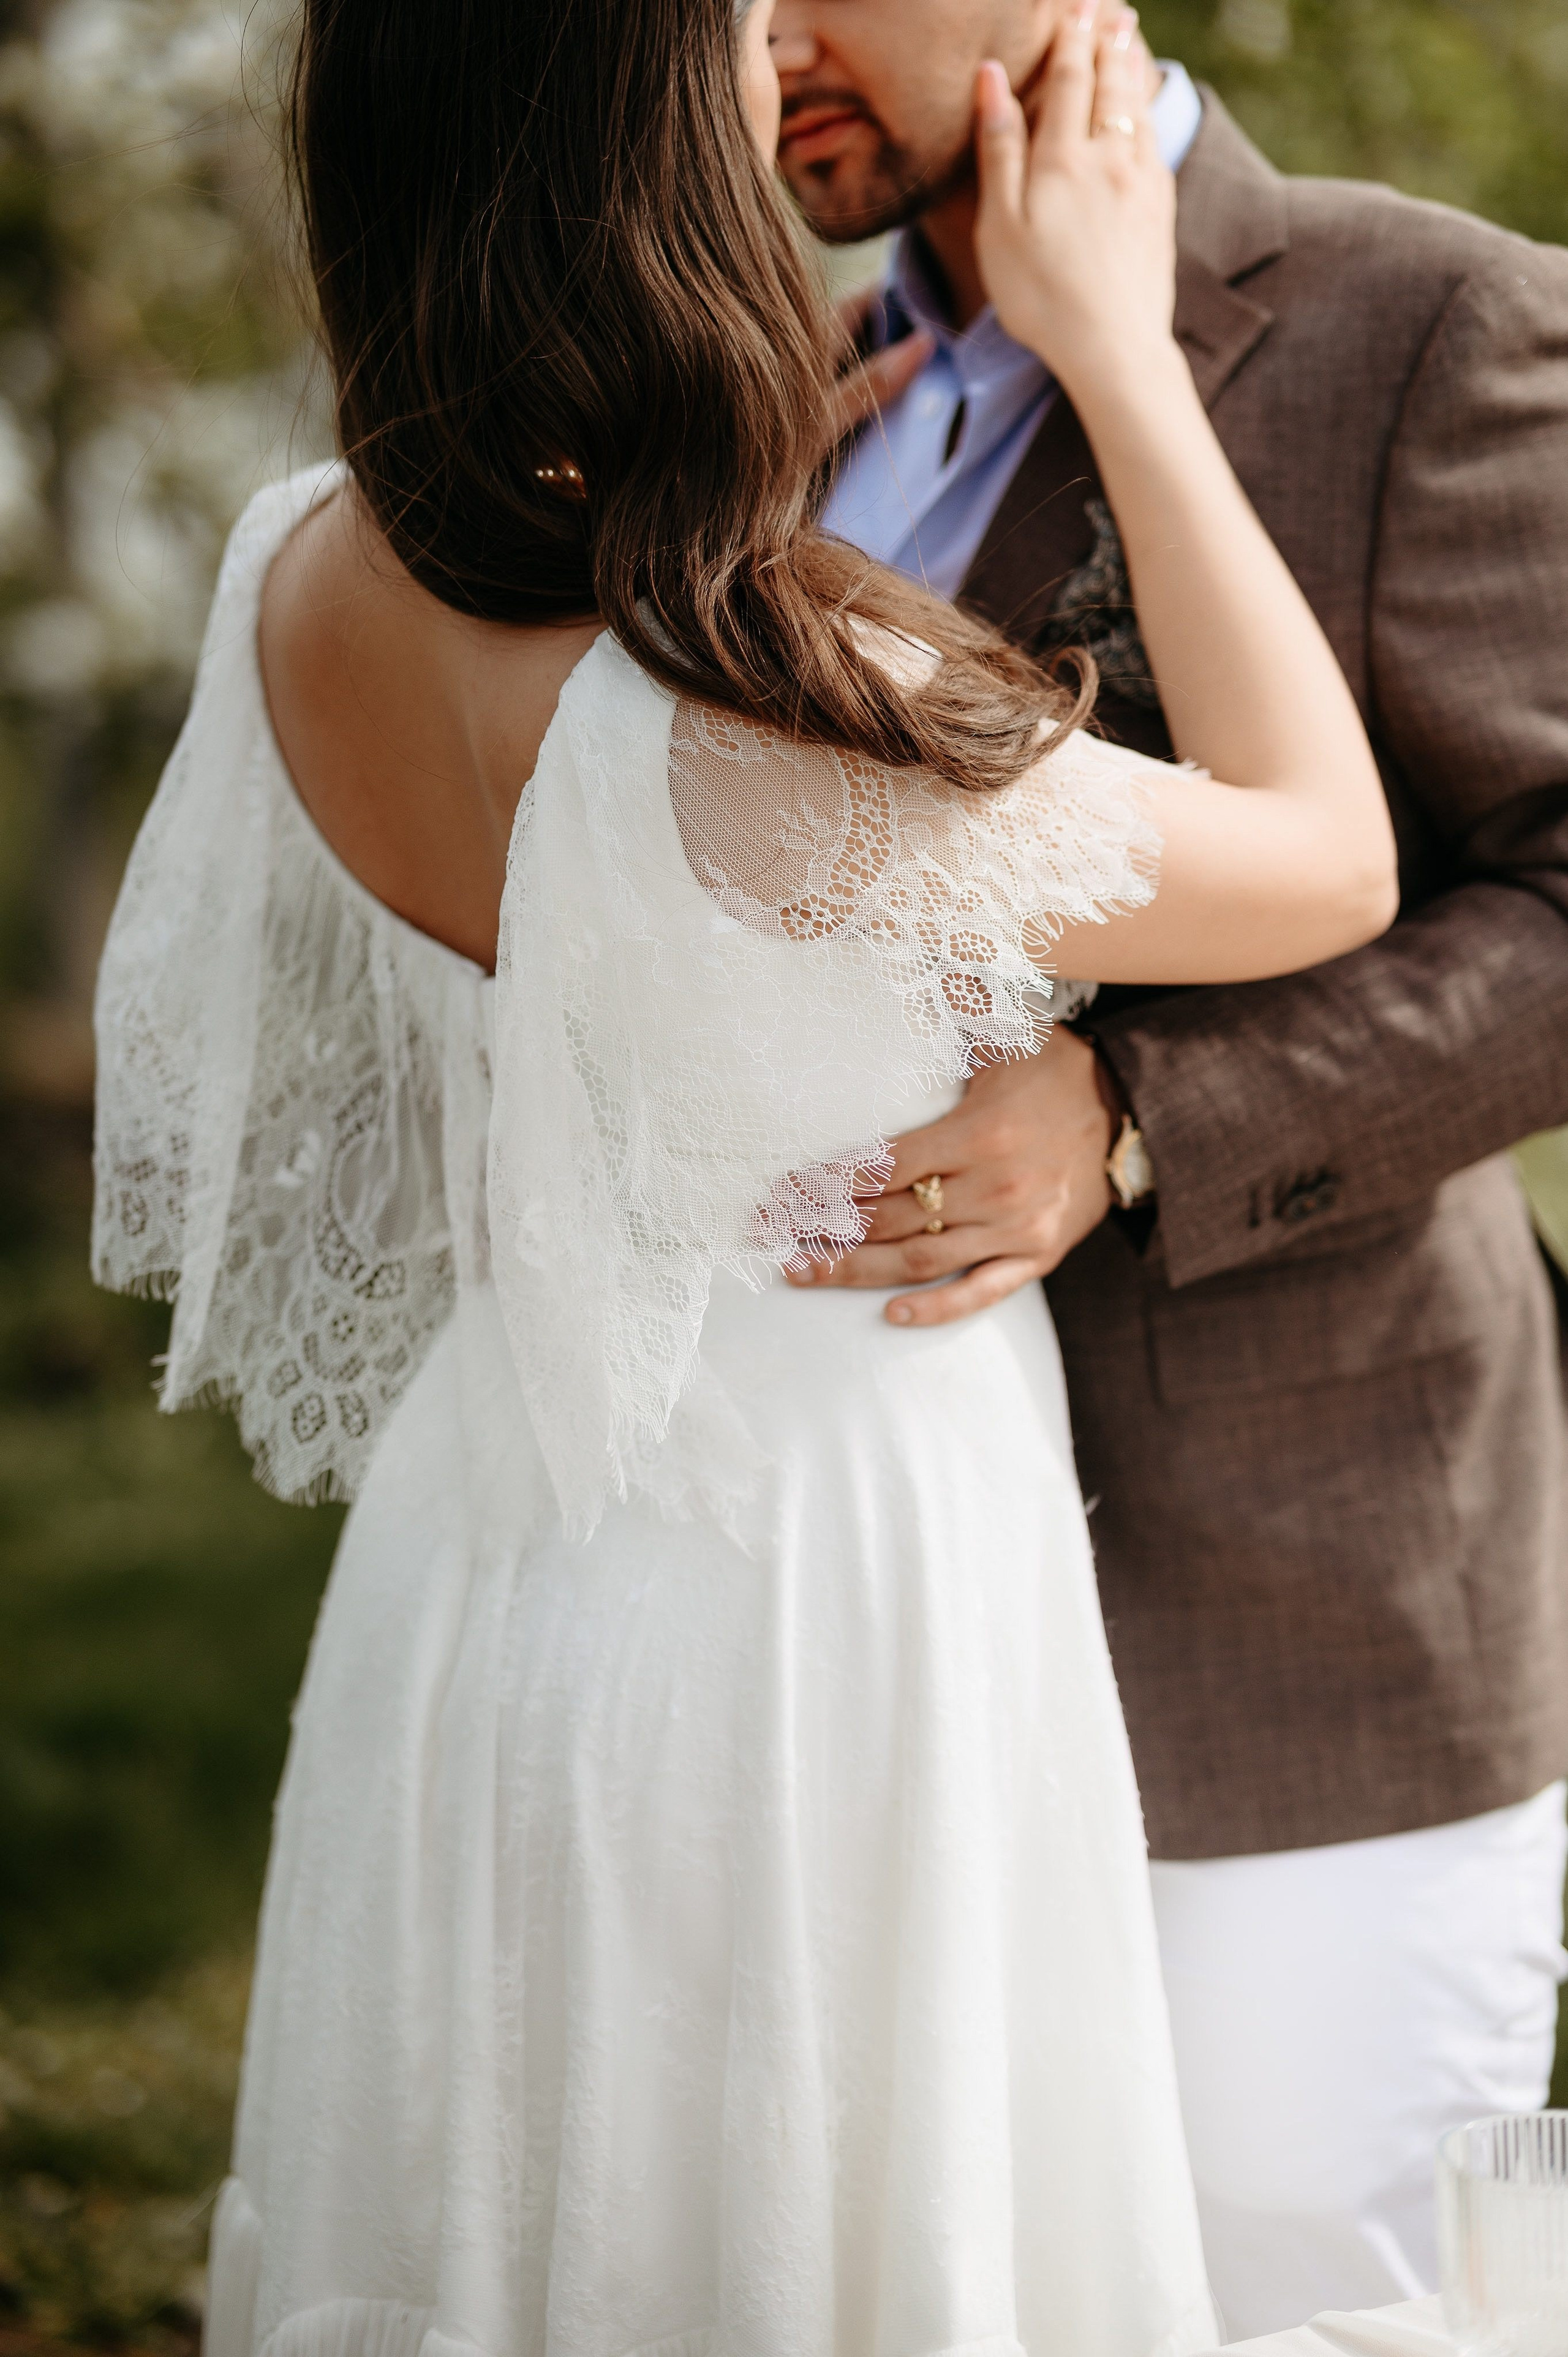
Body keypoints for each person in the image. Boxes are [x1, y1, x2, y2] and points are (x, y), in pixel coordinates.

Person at [90, 2, 1395, 2351]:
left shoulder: (297, 572)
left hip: (487, 1559)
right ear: (641, 153)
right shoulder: (755, 693)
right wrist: (1120, 357)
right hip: (815, 1599)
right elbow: (1327, 860)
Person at [772, 0, 1568, 2336]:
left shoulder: (1425, 318)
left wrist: (1136, 1119)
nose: (768, 34)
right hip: (868, 1626)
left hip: (1294, 1637)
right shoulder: (800, 390)